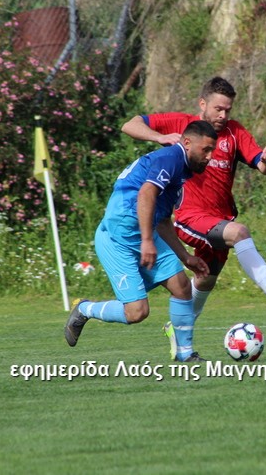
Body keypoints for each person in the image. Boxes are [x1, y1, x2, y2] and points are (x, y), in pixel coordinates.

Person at [121, 76, 266, 359]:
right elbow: (129, 124)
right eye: (218, 109)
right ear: (202, 103)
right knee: (239, 233)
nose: (223, 115)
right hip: (190, 216)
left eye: (228, 110)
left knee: (205, 278)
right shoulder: (183, 124)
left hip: (219, 219)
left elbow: (263, 168)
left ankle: (177, 329)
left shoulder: (235, 132)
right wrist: (160, 137)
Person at [65, 120, 217, 362]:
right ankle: (85, 309)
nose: (209, 157)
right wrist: (147, 240)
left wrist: (185, 256)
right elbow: (146, 193)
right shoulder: (170, 158)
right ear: (187, 143)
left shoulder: (180, 170)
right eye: (206, 150)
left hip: (142, 232)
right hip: (118, 238)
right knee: (137, 312)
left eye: (212, 151)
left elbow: (163, 220)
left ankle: (185, 354)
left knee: (182, 286)